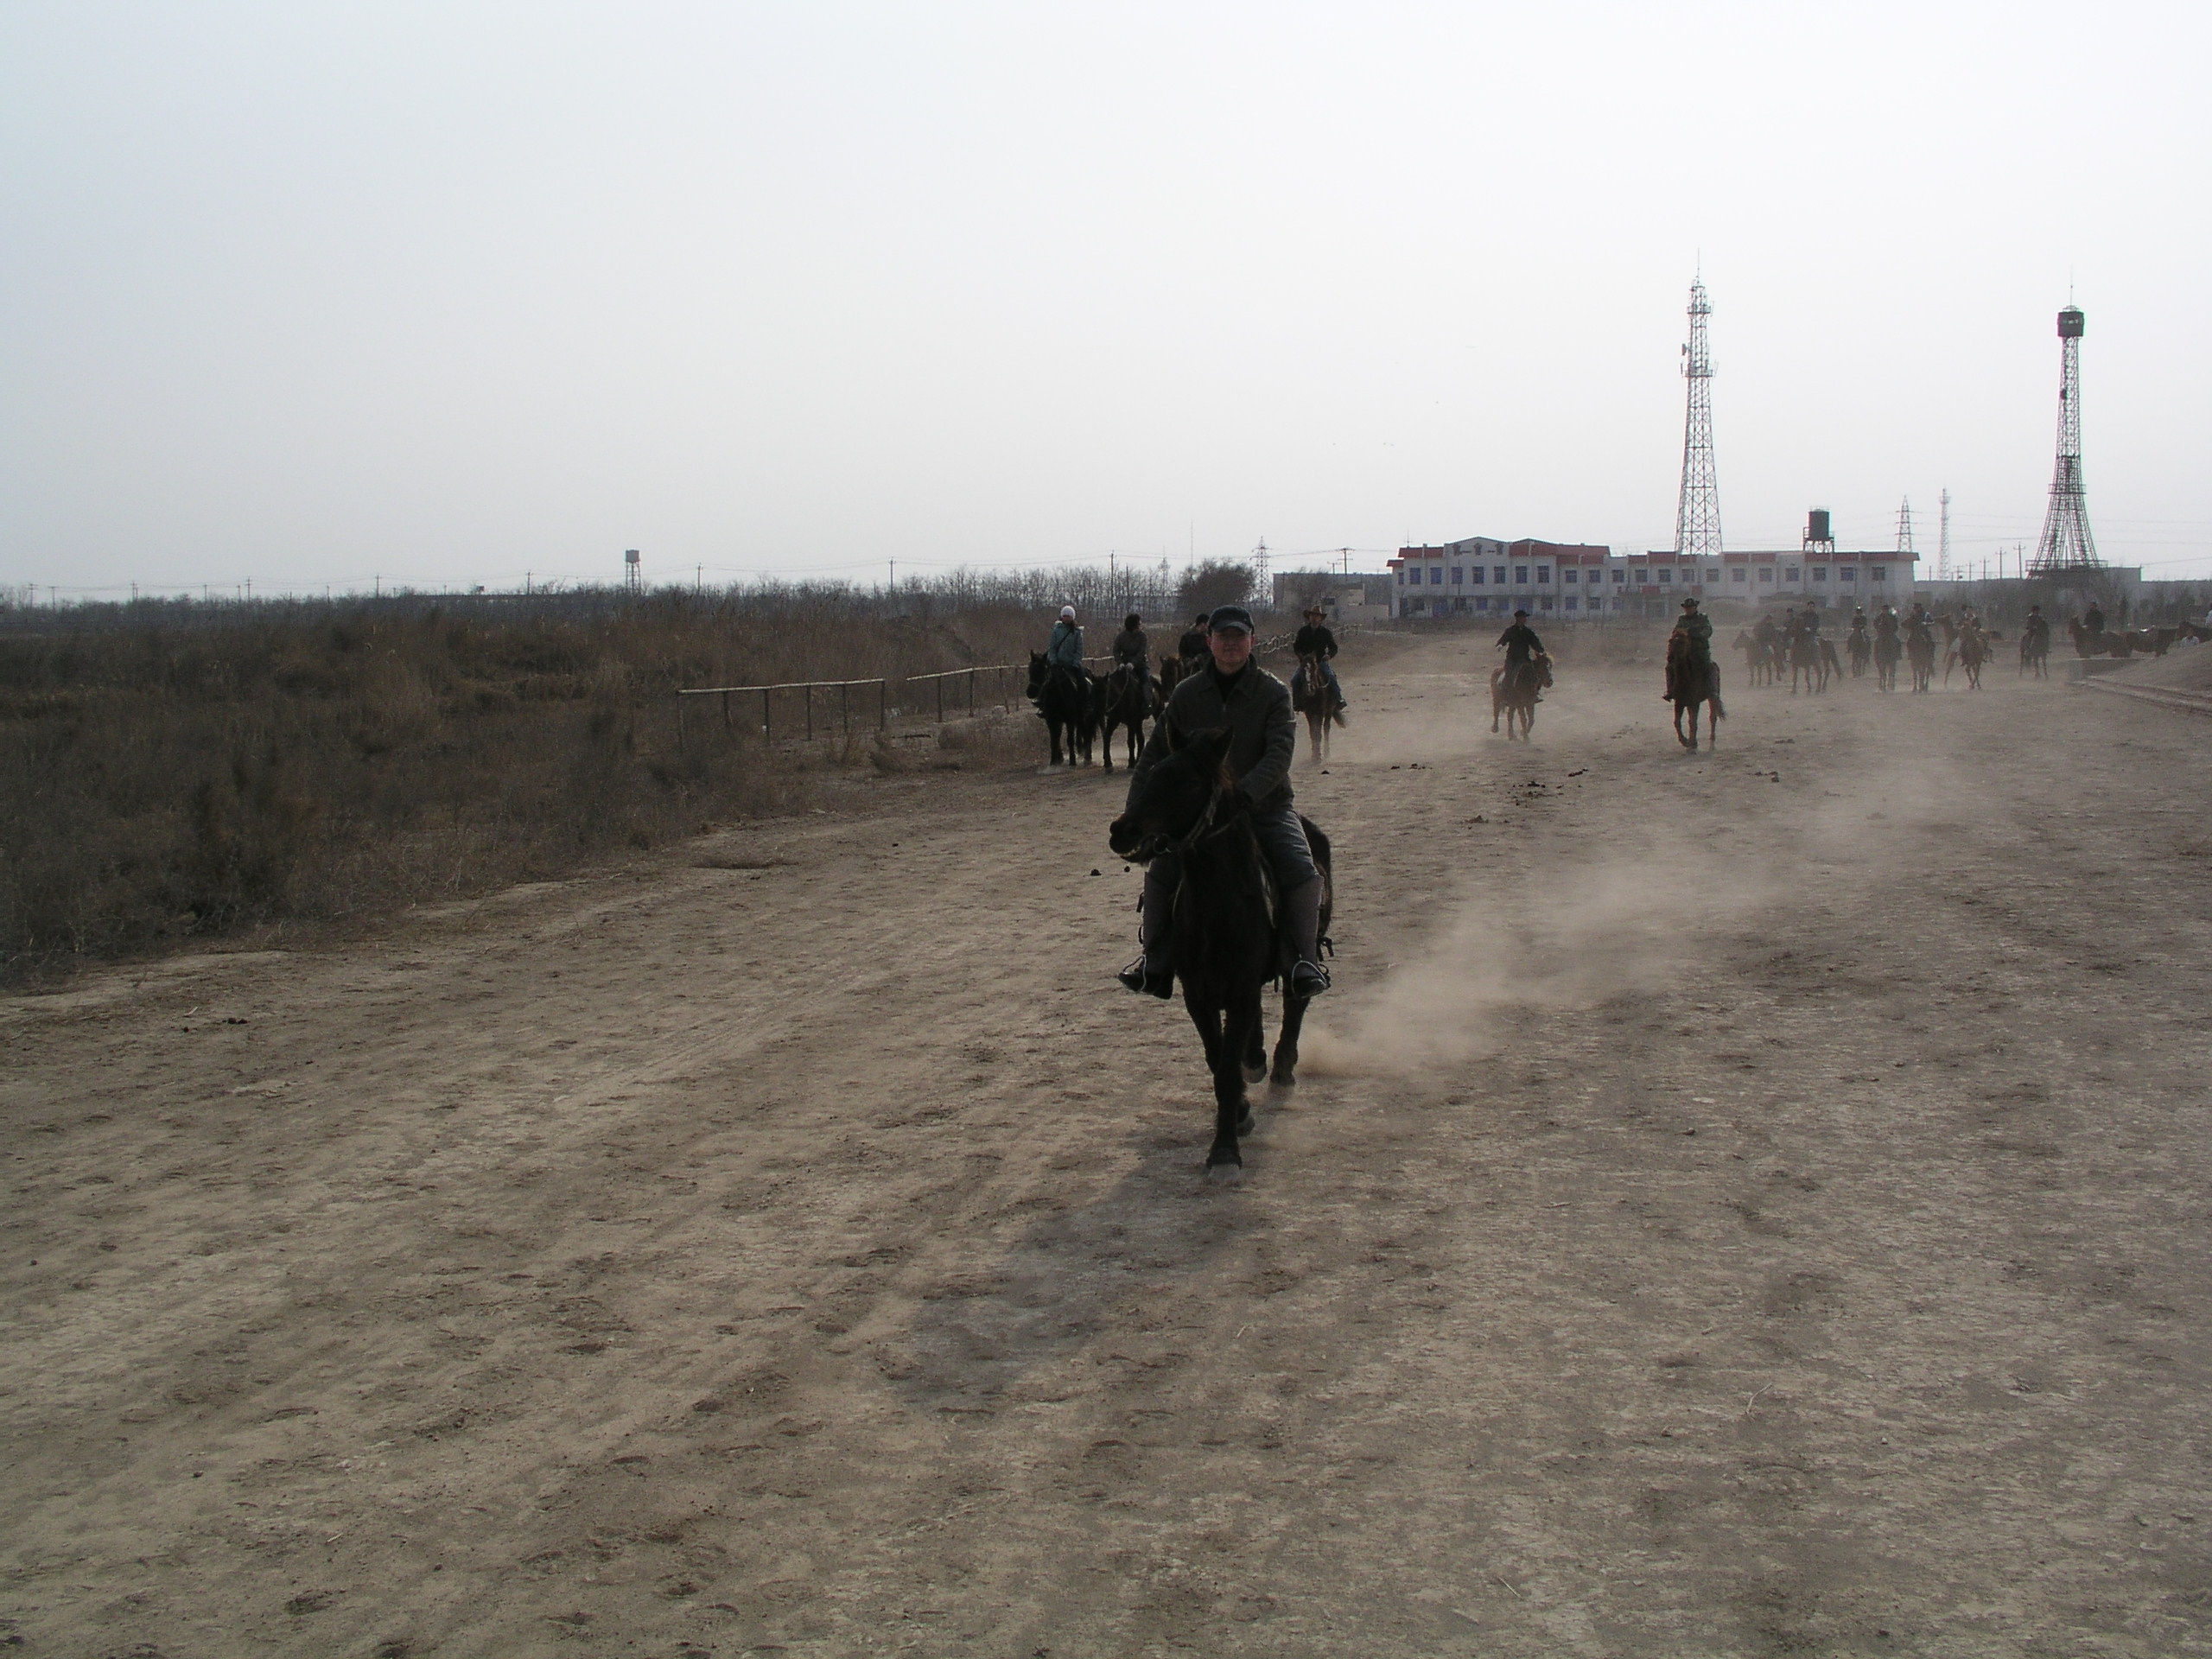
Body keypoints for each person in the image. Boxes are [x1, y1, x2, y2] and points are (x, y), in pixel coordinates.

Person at [1117, 605, 1329, 1001]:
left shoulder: (1274, 693)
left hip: (1265, 806)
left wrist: (1243, 795)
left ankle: (1304, 959)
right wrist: (1137, 813)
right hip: (1200, 816)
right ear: (1209, 641)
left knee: (1300, 867)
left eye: (1238, 638)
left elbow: (1280, 753)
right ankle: (1155, 959)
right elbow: (1154, 757)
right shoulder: (1185, 694)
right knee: (1162, 868)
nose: (1231, 645)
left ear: (1251, 641)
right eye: (1223, 638)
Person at [1291, 604, 1347, 711]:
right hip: (1306, 663)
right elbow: (1296, 646)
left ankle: (1339, 699)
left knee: (1331, 676)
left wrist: (1329, 655)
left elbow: (1333, 647)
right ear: (1309, 617)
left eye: (1317, 616)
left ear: (1321, 618)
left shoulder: (1326, 632)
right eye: (1312, 615)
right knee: (1295, 679)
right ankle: (1297, 703)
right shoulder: (1303, 631)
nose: (1314, 618)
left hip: (1321, 662)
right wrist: (1301, 657)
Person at [1667, 596, 1713, 702]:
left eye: (1691, 608)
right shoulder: (1682, 619)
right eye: (1687, 608)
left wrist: (1694, 634)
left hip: (1699, 650)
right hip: (1684, 650)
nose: (1688, 610)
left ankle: (1711, 690)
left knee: (1708, 666)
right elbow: (1676, 631)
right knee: (1670, 667)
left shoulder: (1703, 618)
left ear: (1695, 608)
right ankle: (1671, 690)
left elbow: (1708, 631)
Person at [1112, 612, 1151, 696]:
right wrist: (1120, 663)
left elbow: (1142, 652)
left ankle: (1148, 703)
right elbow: (1116, 651)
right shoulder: (1121, 637)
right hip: (1125, 664)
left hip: (1141, 665)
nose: (1141, 626)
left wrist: (1133, 663)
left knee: (1146, 680)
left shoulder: (1142, 636)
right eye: (1139, 624)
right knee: (1113, 680)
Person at [1046, 605, 1085, 676]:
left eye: (1068, 616)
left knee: (1082, 682)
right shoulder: (1056, 631)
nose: (1066, 618)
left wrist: (1075, 664)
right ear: (1062, 617)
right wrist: (1053, 662)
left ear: (1072, 617)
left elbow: (1079, 650)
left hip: (1072, 665)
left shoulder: (1077, 632)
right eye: (1065, 616)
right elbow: (1052, 648)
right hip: (1057, 664)